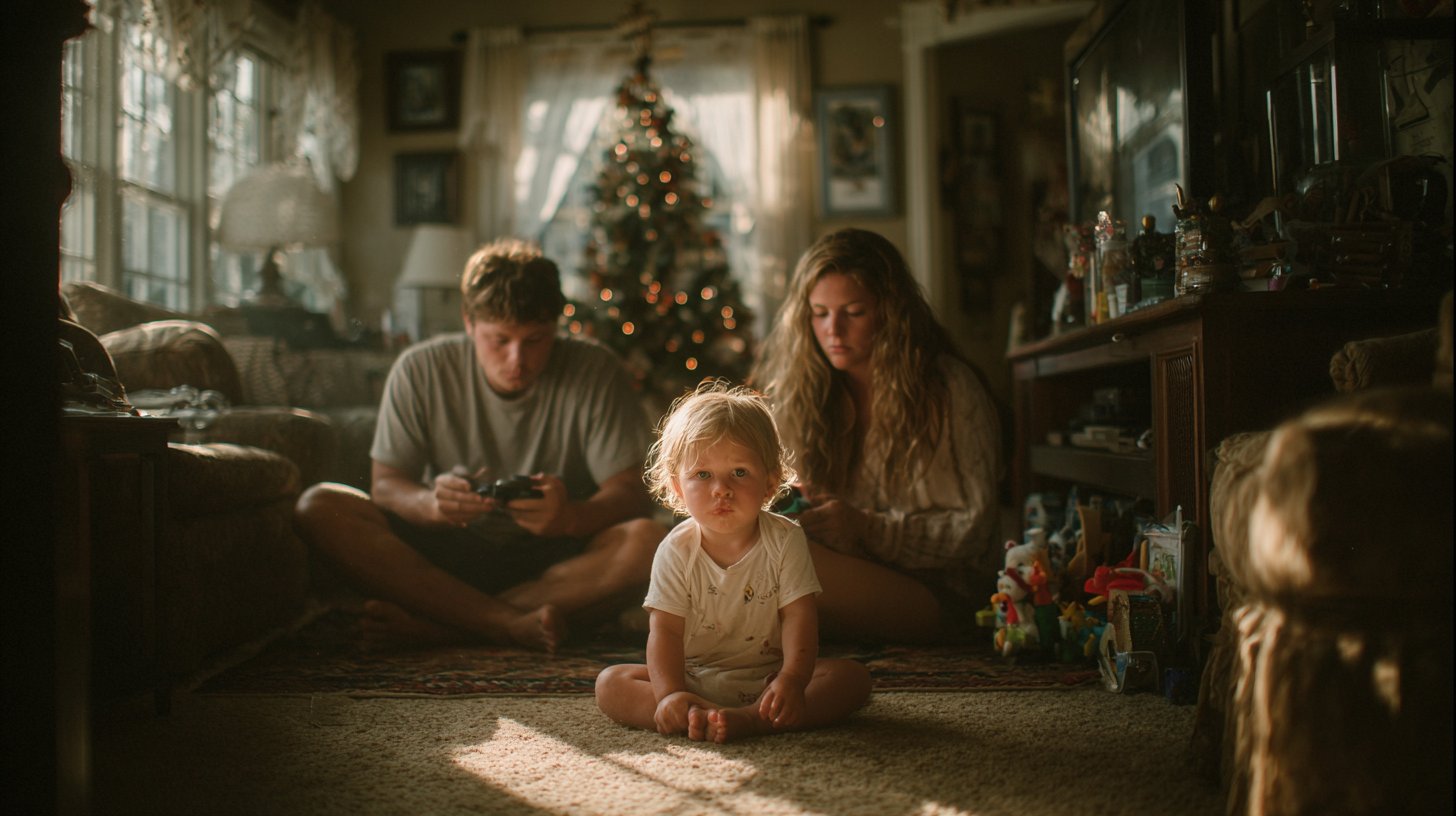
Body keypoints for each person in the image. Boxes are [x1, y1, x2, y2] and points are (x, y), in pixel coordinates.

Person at [294, 238, 665, 652]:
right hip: (442, 557)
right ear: (468, 322)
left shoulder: (595, 369)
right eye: (499, 340)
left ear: (557, 326)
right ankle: (504, 623)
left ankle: (441, 628)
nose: (517, 360)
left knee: (649, 541)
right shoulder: (420, 368)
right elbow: (386, 485)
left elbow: (631, 494)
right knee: (319, 505)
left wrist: (569, 517)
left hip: (556, 561)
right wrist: (431, 506)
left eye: (536, 339)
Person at [749, 228, 1005, 643]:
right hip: (846, 571)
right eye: (819, 313)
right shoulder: (804, 393)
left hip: (941, 591)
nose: (833, 330)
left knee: (782, 563)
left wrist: (866, 527)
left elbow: (974, 536)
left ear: (890, 310)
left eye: (853, 312)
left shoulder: (948, 389)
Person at [594, 381, 872, 743]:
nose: (720, 489)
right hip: (693, 679)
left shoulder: (786, 540)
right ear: (677, 487)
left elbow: (799, 616)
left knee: (852, 679)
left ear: (771, 482)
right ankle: (694, 713)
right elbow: (665, 632)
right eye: (703, 475)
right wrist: (670, 694)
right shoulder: (675, 549)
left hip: (768, 682)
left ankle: (750, 719)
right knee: (610, 684)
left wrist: (792, 679)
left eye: (739, 473)